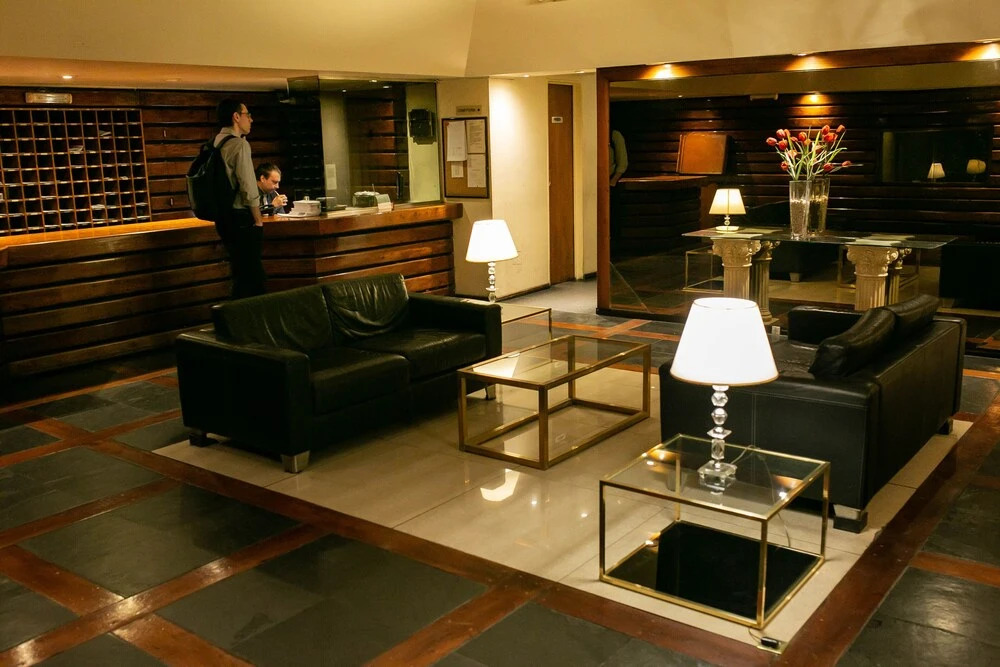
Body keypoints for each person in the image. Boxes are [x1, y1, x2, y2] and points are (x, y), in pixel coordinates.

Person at [213, 99, 266, 298]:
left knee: (239, 272)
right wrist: (258, 220)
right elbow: (248, 186)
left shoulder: (215, 143)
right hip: (241, 218)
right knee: (253, 276)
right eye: (247, 114)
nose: (251, 119)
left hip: (223, 216)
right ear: (236, 117)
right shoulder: (239, 145)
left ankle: (235, 313)